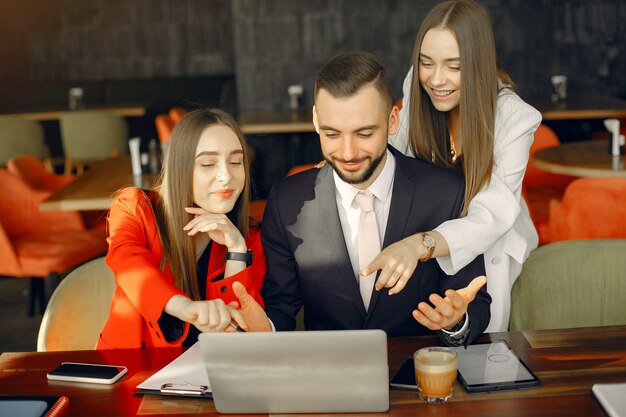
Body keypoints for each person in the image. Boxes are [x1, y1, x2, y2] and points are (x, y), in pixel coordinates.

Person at [232, 51, 491, 346]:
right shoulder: (286, 201)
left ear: (393, 121)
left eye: (364, 133)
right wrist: (263, 327)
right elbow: (281, 306)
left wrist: (455, 322)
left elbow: (475, 303)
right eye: (332, 134)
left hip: (419, 375)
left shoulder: (446, 192)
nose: (347, 152)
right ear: (316, 120)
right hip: (330, 378)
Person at [368, 0, 542, 332]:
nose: (436, 79)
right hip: (423, 234)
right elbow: (396, 151)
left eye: (454, 66)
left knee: (480, 344)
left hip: (487, 241)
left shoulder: (515, 118)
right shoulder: (416, 86)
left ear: (478, 64)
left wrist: (423, 243)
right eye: (426, 63)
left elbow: (493, 215)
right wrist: (360, 160)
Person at [97, 108, 265, 349]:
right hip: (130, 369)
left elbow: (238, 336)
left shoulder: (249, 239)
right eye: (208, 164)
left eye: (236, 162)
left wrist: (236, 250)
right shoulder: (134, 207)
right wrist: (186, 308)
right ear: (180, 167)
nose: (226, 176)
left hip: (207, 377)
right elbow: (129, 265)